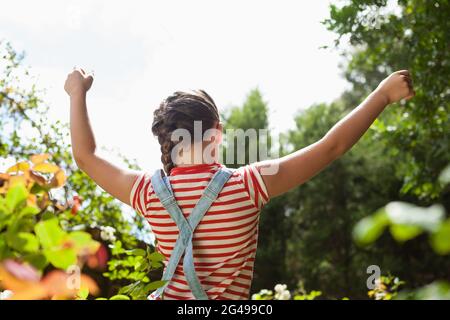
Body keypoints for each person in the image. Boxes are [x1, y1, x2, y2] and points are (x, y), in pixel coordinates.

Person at [64, 68, 414, 299]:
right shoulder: (247, 185)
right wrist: (382, 94)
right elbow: (331, 147)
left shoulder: (148, 192)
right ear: (216, 133)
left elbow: (86, 157)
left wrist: (77, 93)